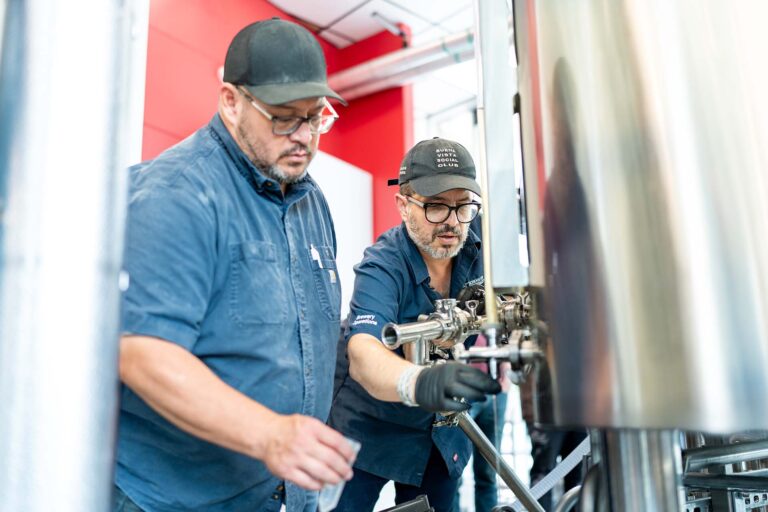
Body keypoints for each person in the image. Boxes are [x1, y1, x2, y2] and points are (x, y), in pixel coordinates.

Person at [114, 19, 356, 512]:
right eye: (285, 118)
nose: (305, 137)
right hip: (178, 499)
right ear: (231, 102)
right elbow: (141, 352)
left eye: (317, 117)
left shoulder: (313, 203)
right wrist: (270, 435)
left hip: (281, 494)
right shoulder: (175, 196)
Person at [328, 137, 502, 512]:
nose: (453, 222)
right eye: (436, 207)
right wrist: (416, 381)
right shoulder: (383, 264)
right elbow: (362, 353)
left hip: (438, 429)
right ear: (403, 205)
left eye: (462, 206)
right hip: (367, 423)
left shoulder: (479, 242)